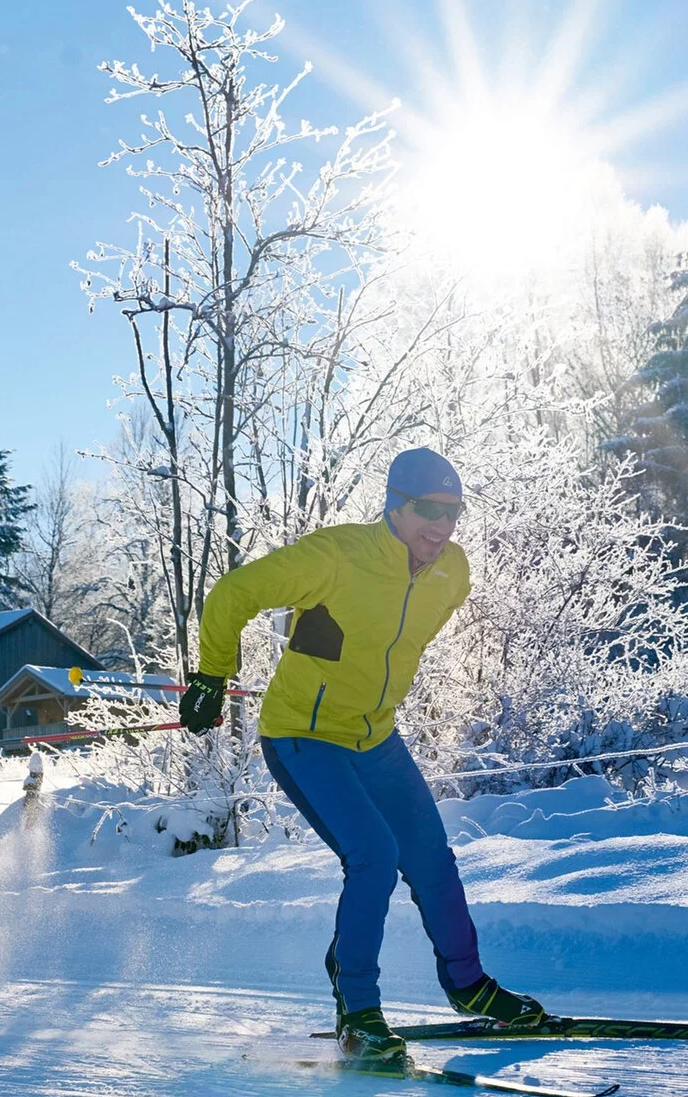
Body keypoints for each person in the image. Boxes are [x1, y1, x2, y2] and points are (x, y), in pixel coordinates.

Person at [178, 447, 546, 1064]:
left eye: (455, 513)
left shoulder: (452, 572)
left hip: (374, 735)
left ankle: (468, 984)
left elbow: (389, 638)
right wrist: (212, 677)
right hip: (303, 735)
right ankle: (359, 1009)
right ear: (395, 507)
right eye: (430, 510)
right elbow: (233, 593)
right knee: (373, 855)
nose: (443, 526)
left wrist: (334, 642)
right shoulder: (336, 556)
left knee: (431, 856)